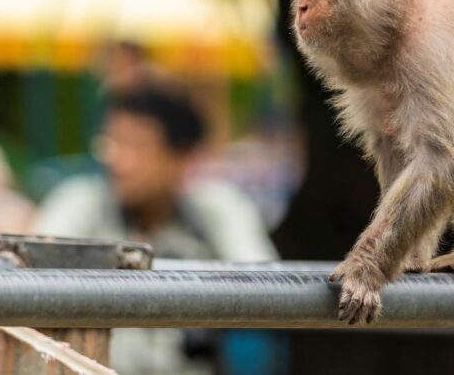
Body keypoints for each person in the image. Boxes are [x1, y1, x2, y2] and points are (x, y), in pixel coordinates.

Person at [33, 85, 278, 374]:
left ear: (182, 157)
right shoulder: (81, 204)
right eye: (111, 142)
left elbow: (266, 283)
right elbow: (36, 275)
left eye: (137, 145)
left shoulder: (212, 210)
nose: (118, 160)